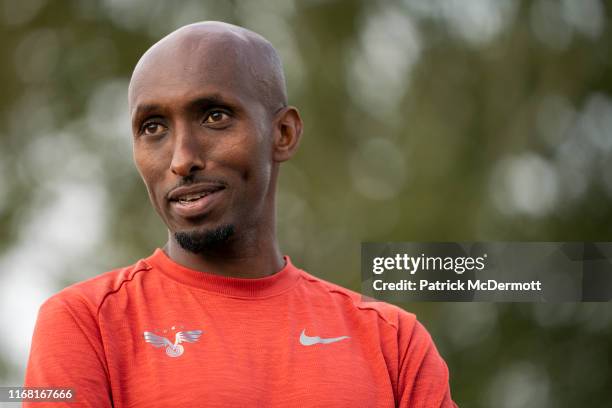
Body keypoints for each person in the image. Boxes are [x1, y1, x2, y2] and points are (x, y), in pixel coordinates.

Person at [24, 21, 457, 407]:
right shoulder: (85, 325)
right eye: (153, 127)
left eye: (214, 116)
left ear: (283, 134)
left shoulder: (393, 343)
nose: (182, 159)